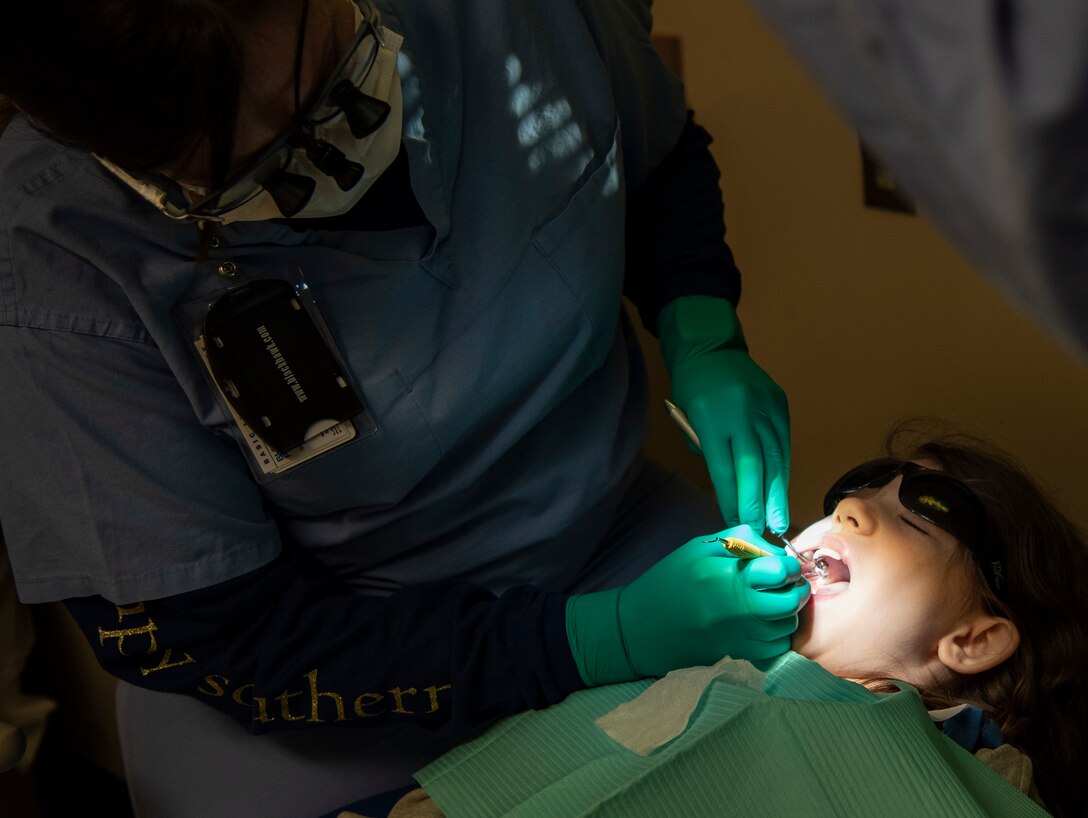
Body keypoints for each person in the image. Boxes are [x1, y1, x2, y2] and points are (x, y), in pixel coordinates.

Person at [0, 0, 807, 815]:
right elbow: (229, 636)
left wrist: (704, 329)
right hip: (321, 679)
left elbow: (651, 155)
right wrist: (605, 639)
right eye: (252, 158)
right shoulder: (53, 277)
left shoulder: (508, 22)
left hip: (610, 539)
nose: (321, 144)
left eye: (320, 89)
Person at [362, 424, 1088, 818]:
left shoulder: (976, 775)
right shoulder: (696, 668)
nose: (848, 508)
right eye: (856, 489)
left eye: (916, 518)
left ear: (972, 639)